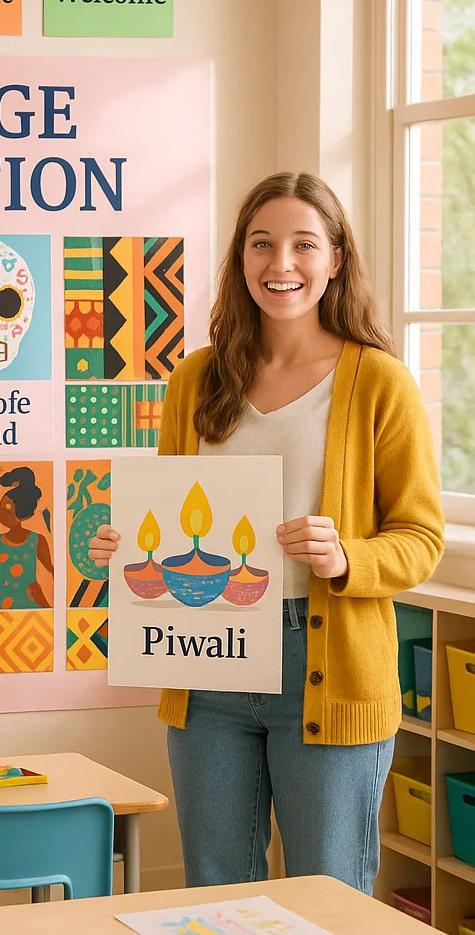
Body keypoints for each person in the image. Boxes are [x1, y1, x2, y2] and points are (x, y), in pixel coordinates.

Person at [90, 172, 444, 895]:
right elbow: (177, 518)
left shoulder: (380, 382)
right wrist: (132, 551)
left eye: (303, 245)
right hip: (208, 664)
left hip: (328, 664)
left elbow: (420, 538)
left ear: (336, 260)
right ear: (241, 259)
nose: (280, 264)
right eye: (262, 244)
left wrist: (348, 555)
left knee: (328, 893)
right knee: (217, 891)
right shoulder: (195, 379)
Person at [0, 467, 53, 610]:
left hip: (30, 604)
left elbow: (52, 570)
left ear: (23, 513)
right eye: (2, 505)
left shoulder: (37, 540)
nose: (1, 510)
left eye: (7, 506)